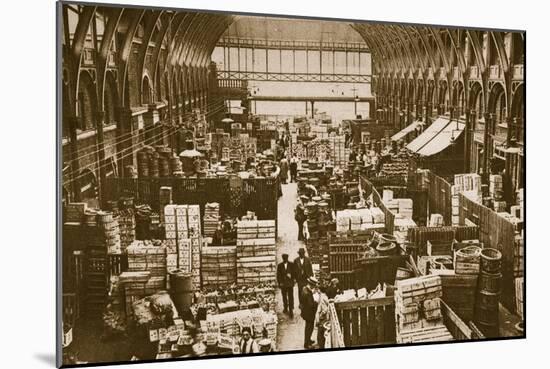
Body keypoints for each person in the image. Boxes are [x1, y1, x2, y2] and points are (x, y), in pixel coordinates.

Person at [300, 276, 319, 349]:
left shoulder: (305, 289)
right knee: (309, 328)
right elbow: (311, 304)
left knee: (308, 327)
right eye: (313, 286)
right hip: (309, 313)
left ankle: (308, 340)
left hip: (306, 312)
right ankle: (307, 344)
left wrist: (312, 293)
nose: (314, 287)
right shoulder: (307, 293)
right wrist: (317, 302)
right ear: (311, 284)